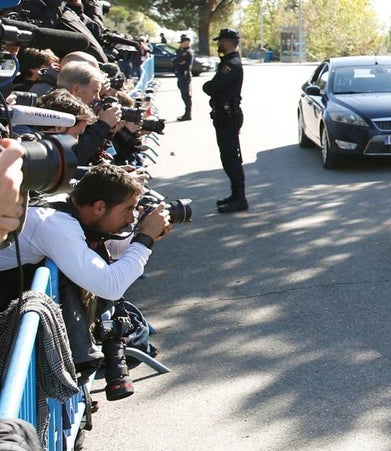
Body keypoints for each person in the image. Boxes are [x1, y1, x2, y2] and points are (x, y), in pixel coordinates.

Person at [0, 163, 171, 303]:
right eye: (128, 209)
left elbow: (115, 250)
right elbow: (110, 287)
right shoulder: (56, 226)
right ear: (99, 207)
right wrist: (144, 239)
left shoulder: (71, 204)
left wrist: (144, 234)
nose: (131, 218)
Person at [203, 28, 247, 212]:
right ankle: (235, 194)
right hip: (223, 115)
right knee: (227, 156)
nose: (218, 44)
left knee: (231, 158)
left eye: (220, 41)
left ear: (228, 42)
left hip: (228, 116)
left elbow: (213, 87)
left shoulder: (232, 64)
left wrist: (208, 86)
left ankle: (240, 199)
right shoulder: (228, 62)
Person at [174, 35, 194, 121]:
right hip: (181, 74)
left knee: (186, 95)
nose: (181, 44)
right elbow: (176, 59)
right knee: (183, 93)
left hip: (185, 75)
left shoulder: (187, 52)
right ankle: (187, 113)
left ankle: (188, 113)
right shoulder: (181, 51)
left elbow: (179, 61)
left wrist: (177, 60)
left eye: (183, 42)